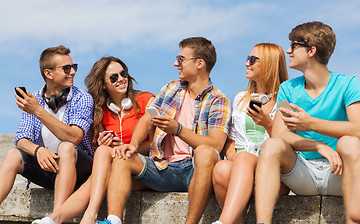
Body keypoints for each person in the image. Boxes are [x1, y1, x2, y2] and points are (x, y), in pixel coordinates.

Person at [95, 37, 232, 224]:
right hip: (163, 167)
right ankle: (114, 220)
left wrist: (178, 130)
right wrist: (133, 145)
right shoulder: (171, 88)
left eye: (181, 59)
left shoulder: (219, 99)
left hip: (195, 169)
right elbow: (146, 119)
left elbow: (216, 144)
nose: (176, 63)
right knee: (122, 157)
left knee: (205, 153)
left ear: (199, 63)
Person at [254, 21, 360, 224]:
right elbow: (279, 134)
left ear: (311, 51)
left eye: (294, 45)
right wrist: (318, 145)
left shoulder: (348, 85)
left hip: (340, 173)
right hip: (303, 173)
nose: (288, 50)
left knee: (350, 142)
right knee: (273, 145)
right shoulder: (287, 89)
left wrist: (310, 123)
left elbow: (358, 128)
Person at [32, 56, 154, 224]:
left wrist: (125, 147)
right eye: (114, 77)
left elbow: (157, 144)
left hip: (143, 169)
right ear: (103, 84)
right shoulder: (100, 112)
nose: (121, 79)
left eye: (123, 73)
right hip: (116, 171)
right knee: (102, 156)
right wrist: (104, 145)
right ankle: (55, 219)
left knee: (100, 169)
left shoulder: (145, 100)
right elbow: (95, 151)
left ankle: (88, 215)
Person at [0, 45, 94, 212]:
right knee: (12, 154)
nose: (72, 72)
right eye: (66, 68)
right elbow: (21, 138)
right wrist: (38, 151)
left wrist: (38, 110)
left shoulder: (83, 98)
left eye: (74, 67)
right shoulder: (34, 99)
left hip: (80, 173)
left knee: (66, 147)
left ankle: (55, 218)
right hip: (49, 168)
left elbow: (74, 138)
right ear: (48, 73)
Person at [212, 43, 288, 224]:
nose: (247, 63)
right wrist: (233, 158)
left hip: (274, 173)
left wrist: (269, 124)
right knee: (222, 169)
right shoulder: (240, 98)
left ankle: (224, 222)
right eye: (248, 58)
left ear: (269, 63)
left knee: (244, 158)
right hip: (243, 168)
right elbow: (231, 141)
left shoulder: (285, 100)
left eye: (252, 59)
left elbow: (288, 142)